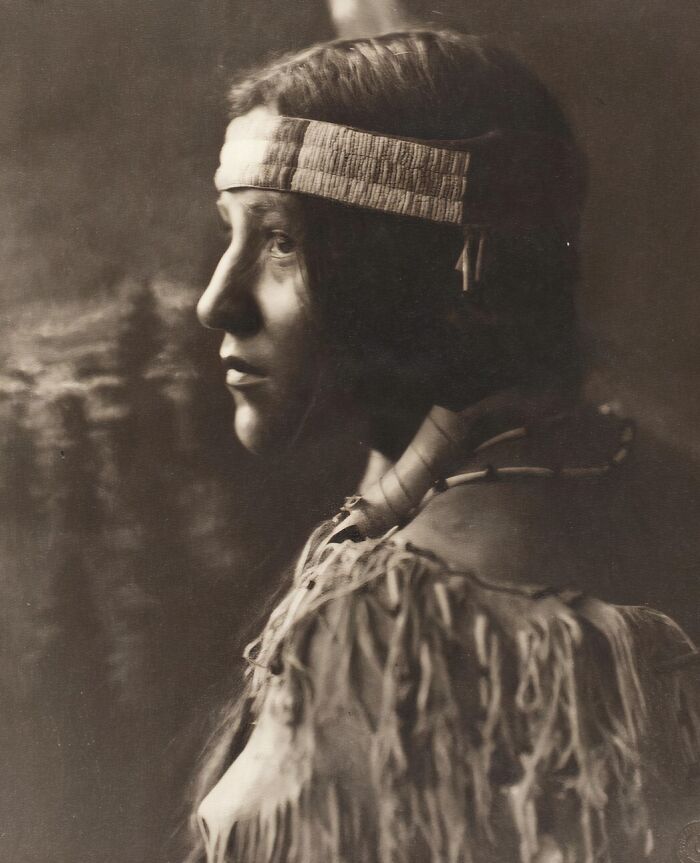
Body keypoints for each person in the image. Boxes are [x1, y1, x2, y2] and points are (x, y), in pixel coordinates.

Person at [187, 30, 699, 863]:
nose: (216, 300)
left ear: (441, 270)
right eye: (231, 232)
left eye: (281, 239)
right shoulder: (627, 471)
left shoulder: (392, 641)